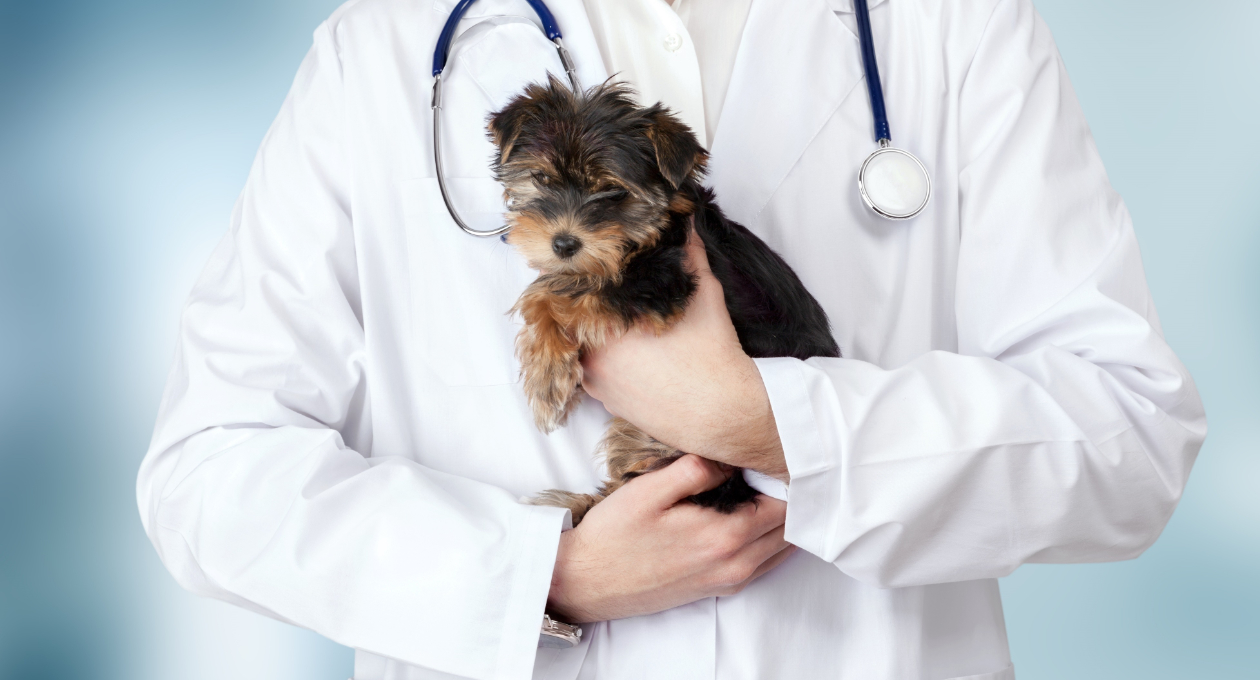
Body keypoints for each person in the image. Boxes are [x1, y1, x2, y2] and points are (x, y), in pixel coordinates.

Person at [136, 0, 1206, 677]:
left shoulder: (953, 26)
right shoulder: (386, 47)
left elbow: (1131, 432)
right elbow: (210, 472)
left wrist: (773, 425)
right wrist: (537, 576)